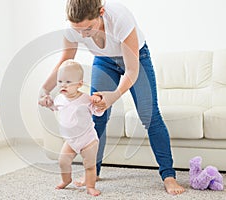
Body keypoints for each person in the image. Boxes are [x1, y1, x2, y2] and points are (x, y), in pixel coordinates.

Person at [39, 0, 185, 195]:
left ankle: (168, 176)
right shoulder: (73, 27)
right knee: (97, 114)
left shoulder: (120, 18)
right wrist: (44, 90)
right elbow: (66, 59)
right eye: (78, 30)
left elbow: (132, 70)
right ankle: (94, 172)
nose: (83, 35)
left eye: (88, 29)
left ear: (101, 12)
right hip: (103, 60)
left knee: (149, 115)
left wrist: (114, 96)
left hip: (136, 58)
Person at [40, 59, 104, 196]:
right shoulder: (59, 99)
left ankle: (90, 186)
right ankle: (66, 179)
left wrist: (98, 102)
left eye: (68, 82)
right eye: (60, 81)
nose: (63, 85)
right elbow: (52, 107)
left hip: (88, 140)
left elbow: (98, 112)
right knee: (63, 161)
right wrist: (46, 102)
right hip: (71, 141)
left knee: (89, 165)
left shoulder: (86, 99)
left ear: (79, 84)